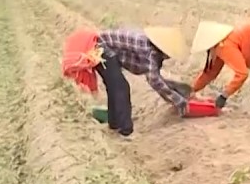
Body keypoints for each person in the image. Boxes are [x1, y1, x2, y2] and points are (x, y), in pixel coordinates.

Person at [61, 26, 192, 138]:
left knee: (115, 86)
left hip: (103, 47)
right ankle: (125, 131)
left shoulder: (151, 49)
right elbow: (155, 81)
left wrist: (177, 93)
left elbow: (157, 78)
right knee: (120, 88)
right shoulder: (149, 52)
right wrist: (178, 100)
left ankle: (115, 124)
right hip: (101, 48)